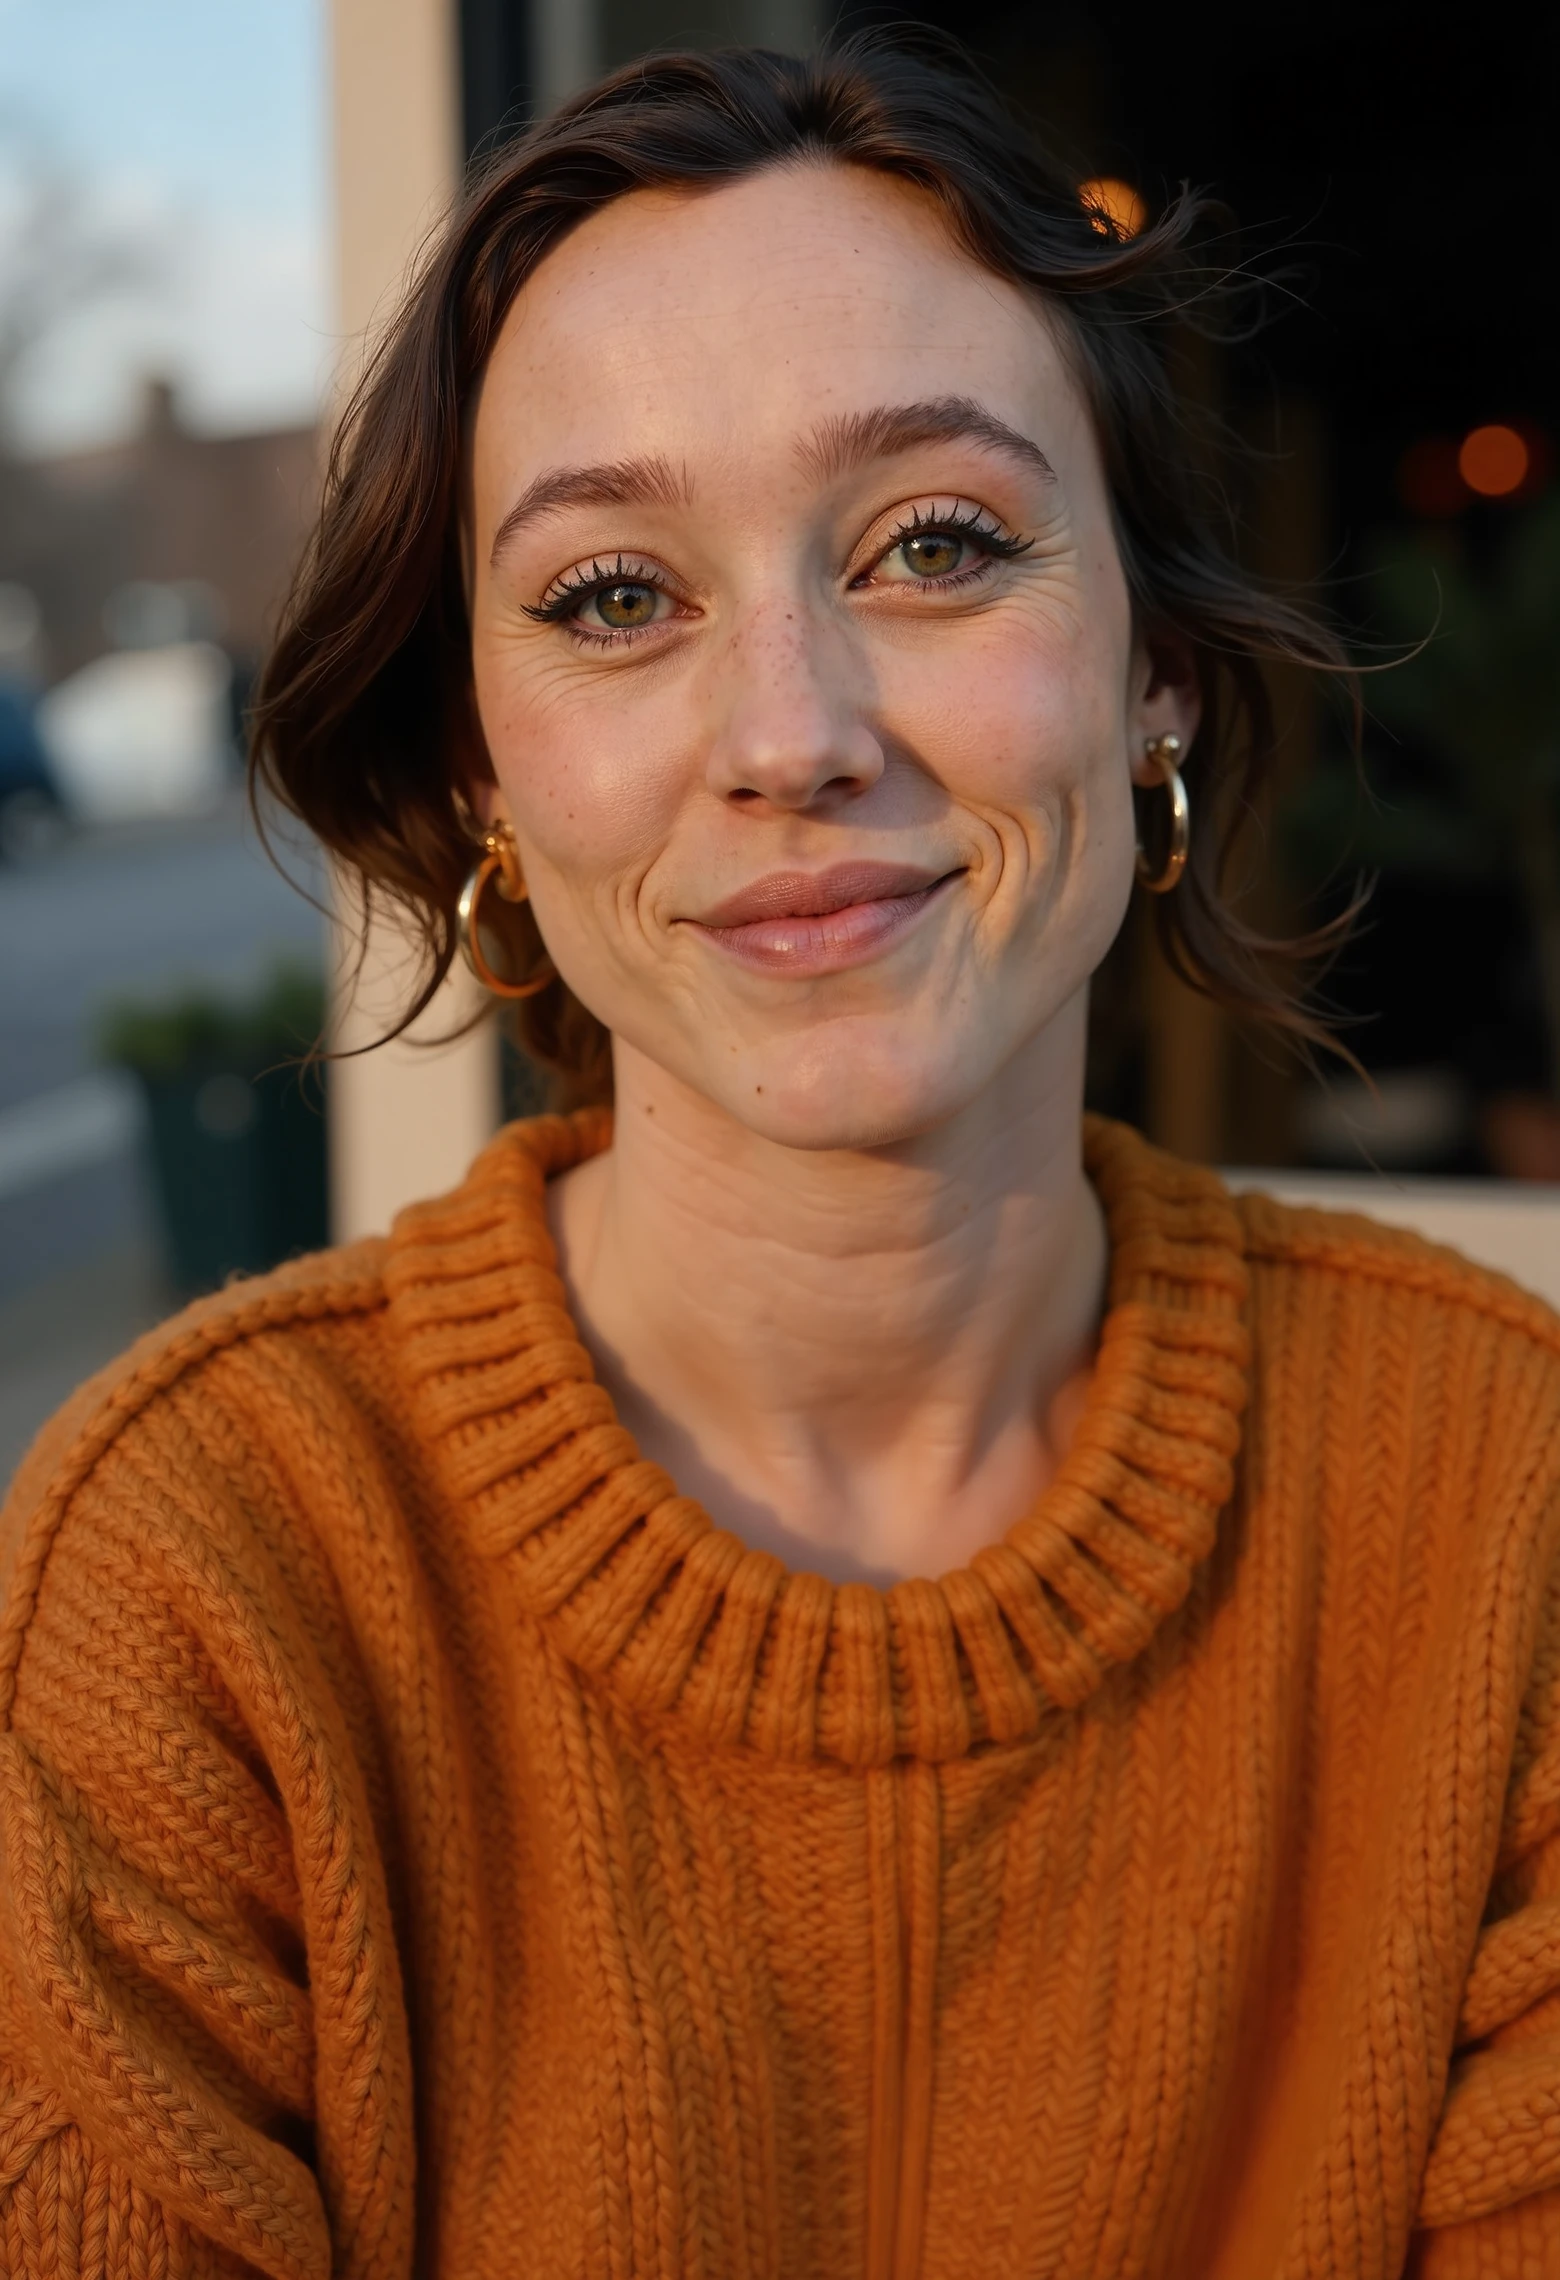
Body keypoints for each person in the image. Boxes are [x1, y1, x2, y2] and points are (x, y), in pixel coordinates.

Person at [2, 41, 1557, 2280]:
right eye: (615, 595)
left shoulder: (1502, 1507)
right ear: (483, 783)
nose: (792, 733)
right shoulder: (205, 1584)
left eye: (939, 542)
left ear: (1160, 682)